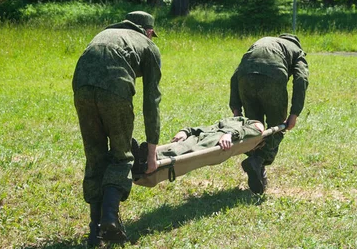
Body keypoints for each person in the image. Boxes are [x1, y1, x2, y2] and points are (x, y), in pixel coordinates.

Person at [72, 11, 161, 246]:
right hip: (115, 89)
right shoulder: (148, 45)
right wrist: (151, 153)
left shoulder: (105, 34)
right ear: (149, 32)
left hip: (81, 88)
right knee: (122, 156)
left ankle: (94, 232)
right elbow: (151, 102)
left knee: (96, 157)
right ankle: (110, 219)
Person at [229, 34, 309, 194]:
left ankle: (259, 171)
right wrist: (294, 113)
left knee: (254, 129)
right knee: (276, 128)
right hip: (273, 77)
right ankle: (257, 160)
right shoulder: (297, 51)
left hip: (245, 78)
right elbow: (301, 78)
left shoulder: (262, 42)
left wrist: (236, 107)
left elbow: (235, 76)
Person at [132, 116, 265, 178]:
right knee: (176, 149)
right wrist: (185, 131)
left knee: (185, 155)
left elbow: (259, 129)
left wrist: (230, 134)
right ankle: (141, 158)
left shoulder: (247, 124)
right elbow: (203, 128)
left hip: (213, 142)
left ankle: (144, 163)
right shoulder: (226, 121)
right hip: (199, 137)